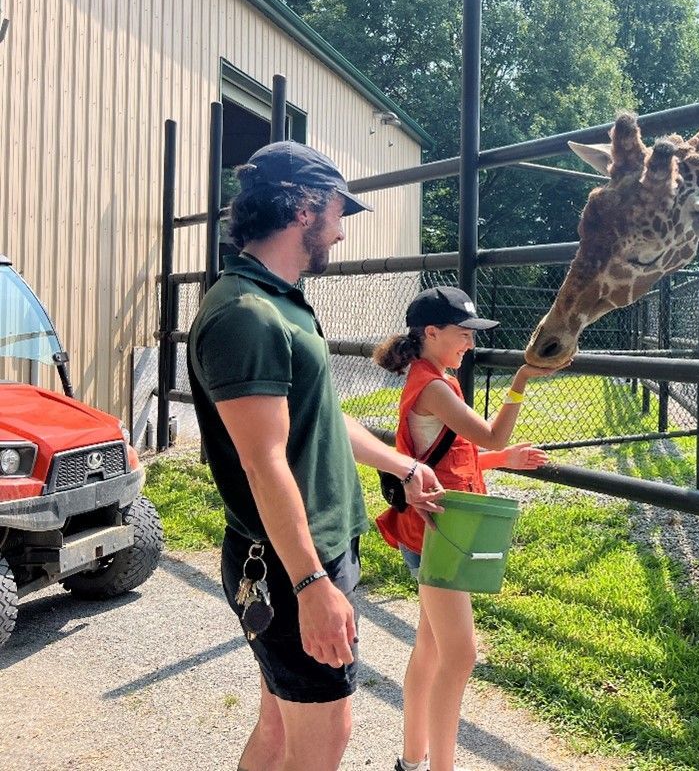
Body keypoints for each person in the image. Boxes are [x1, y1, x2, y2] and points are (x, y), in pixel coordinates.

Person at [187, 141, 445, 771]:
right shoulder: (245, 314)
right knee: (324, 735)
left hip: (308, 553)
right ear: (303, 208)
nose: (340, 229)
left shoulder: (281, 301)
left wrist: (404, 467)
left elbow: (322, 421)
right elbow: (263, 462)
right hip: (289, 565)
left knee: (280, 727)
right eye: (337, 211)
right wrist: (310, 585)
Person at [372, 286, 559, 771]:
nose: (469, 345)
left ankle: (412, 761)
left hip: (431, 527)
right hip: (443, 531)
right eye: (462, 335)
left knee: (431, 649)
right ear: (430, 333)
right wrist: (520, 380)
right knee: (460, 656)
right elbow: (491, 432)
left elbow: (450, 452)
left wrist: (504, 460)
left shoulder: (428, 377)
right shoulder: (434, 386)